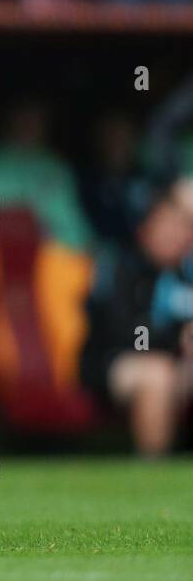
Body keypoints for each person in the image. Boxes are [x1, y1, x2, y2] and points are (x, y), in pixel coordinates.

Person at [80, 175, 193, 455]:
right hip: (111, 361)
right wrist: (179, 337)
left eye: (182, 227)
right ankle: (152, 473)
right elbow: (126, 333)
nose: (174, 235)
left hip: (177, 362)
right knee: (157, 374)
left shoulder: (185, 274)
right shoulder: (121, 267)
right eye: (166, 226)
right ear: (145, 230)